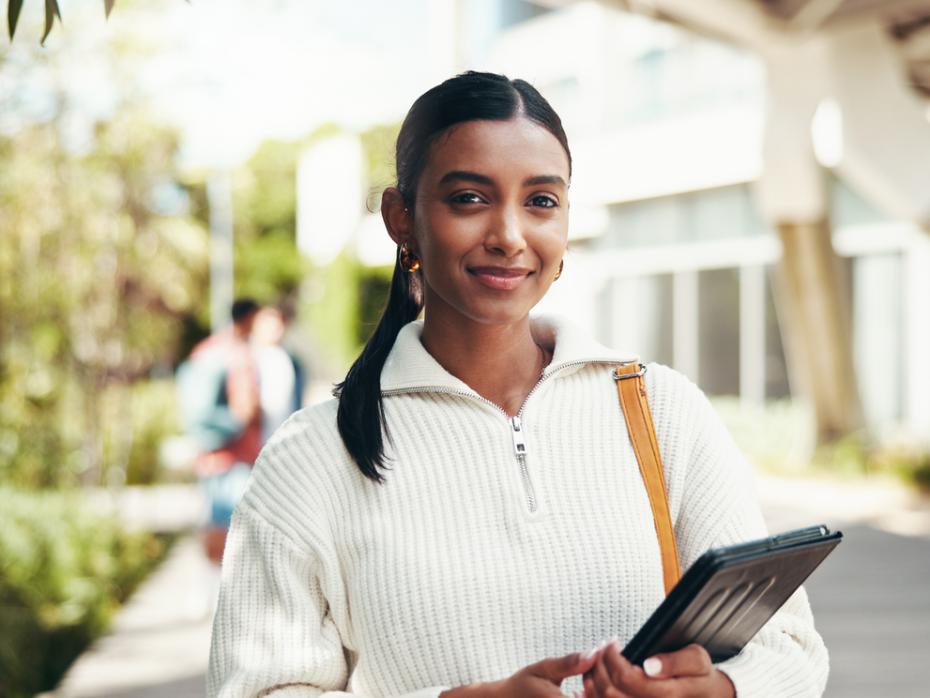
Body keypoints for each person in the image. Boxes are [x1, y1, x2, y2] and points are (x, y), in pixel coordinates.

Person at [207, 72, 828, 698]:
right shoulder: (311, 458)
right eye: (470, 199)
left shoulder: (661, 409)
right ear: (402, 219)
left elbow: (791, 651)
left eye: (540, 201)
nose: (509, 236)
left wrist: (714, 689)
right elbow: (256, 689)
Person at [181, 298, 262, 566]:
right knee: (236, 537)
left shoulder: (205, 350)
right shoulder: (239, 355)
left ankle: (208, 589)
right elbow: (245, 409)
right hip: (237, 456)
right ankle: (226, 595)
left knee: (214, 526)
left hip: (209, 453)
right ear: (250, 319)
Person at [251, 304, 306, 445]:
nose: (276, 332)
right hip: (253, 440)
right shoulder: (247, 357)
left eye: (278, 327)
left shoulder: (291, 361)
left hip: (281, 438)